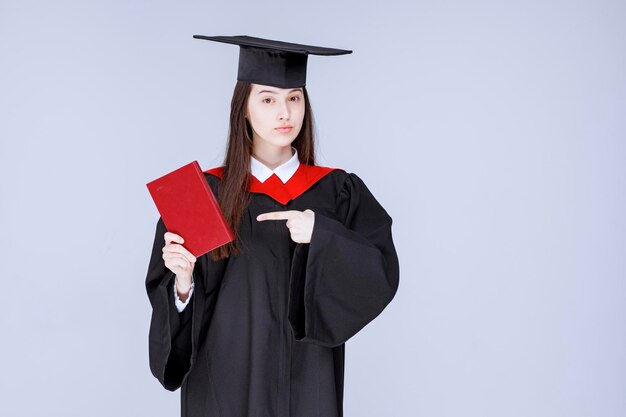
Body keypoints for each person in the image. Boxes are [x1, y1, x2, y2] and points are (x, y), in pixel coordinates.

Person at [145, 35, 400, 417]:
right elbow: (176, 328)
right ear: (244, 109)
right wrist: (183, 285)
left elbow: (379, 274)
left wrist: (322, 236)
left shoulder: (338, 191)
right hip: (225, 385)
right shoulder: (204, 194)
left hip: (307, 381)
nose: (285, 113)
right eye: (268, 100)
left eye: (294, 98)